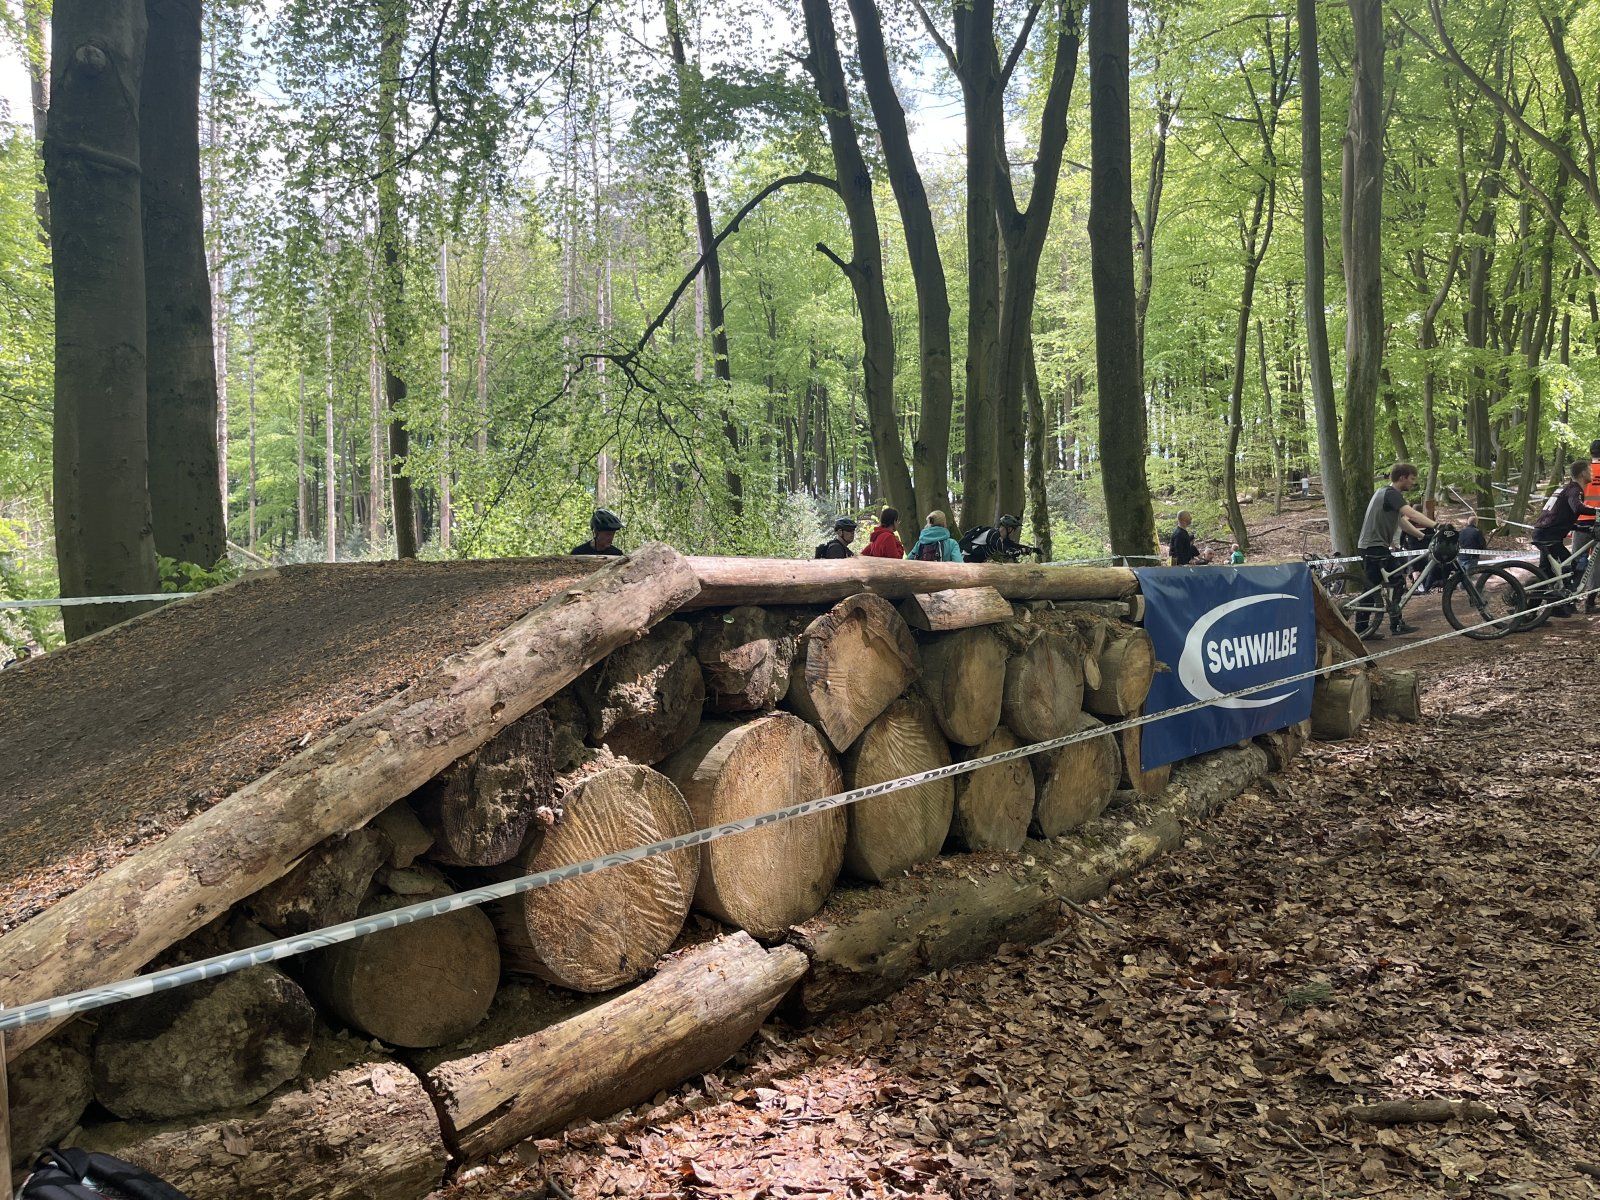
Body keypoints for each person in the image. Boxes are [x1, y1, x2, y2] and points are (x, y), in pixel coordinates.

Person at [1356, 463, 1437, 639]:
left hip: (1375, 547)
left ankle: (1391, 624)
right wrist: (1436, 525)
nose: (1413, 483)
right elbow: (1412, 514)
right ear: (1402, 477)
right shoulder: (1391, 494)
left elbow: (1402, 522)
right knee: (1374, 588)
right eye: (1412, 479)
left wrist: (1422, 536)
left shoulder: (1385, 493)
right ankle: (1366, 628)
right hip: (1373, 547)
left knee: (1393, 581)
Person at [1532, 459, 1597, 616]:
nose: (1592, 473)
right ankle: (1560, 604)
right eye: (1589, 470)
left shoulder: (1565, 488)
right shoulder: (1575, 490)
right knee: (1569, 567)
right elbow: (1577, 507)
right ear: (1583, 473)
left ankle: (1538, 610)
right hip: (1549, 535)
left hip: (1544, 532)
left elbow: (1560, 516)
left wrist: (1579, 527)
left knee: (1547, 574)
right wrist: (1597, 511)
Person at [961, 515, 1037, 564]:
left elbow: (1013, 545)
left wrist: (1032, 549)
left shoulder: (999, 535)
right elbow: (1007, 551)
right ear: (1009, 529)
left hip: (977, 561)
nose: (1013, 533)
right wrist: (1023, 551)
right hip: (967, 560)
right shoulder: (993, 535)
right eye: (1014, 530)